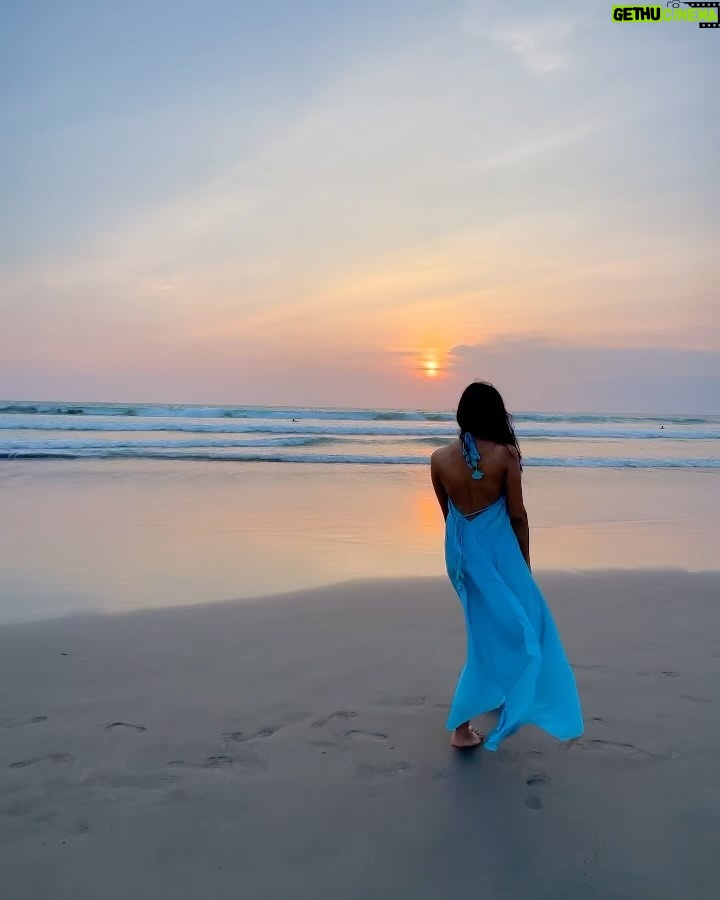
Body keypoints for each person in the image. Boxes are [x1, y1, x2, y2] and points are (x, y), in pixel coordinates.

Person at [430, 381, 583, 751]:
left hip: (462, 557)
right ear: (496, 415)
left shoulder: (438, 459)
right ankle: (461, 728)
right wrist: (524, 562)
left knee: (483, 627)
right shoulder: (505, 456)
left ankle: (496, 693)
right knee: (528, 624)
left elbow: (447, 513)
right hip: (499, 556)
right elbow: (517, 515)